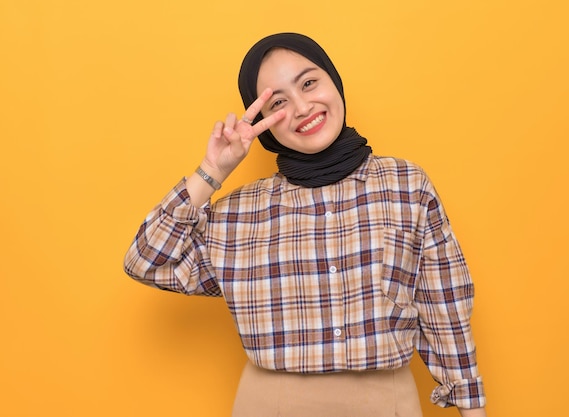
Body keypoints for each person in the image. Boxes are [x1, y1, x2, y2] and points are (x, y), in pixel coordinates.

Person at [124, 32, 487, 417]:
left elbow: (444, 307)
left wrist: (472, 408)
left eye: (309, 83)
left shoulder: (406, 185)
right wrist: (214, 170)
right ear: (262, 121)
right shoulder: (237, 214)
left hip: (387, 401)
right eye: (278, 102)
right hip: (272, 404)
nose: (301, 107)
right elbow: (146, 260)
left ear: (334, 81)